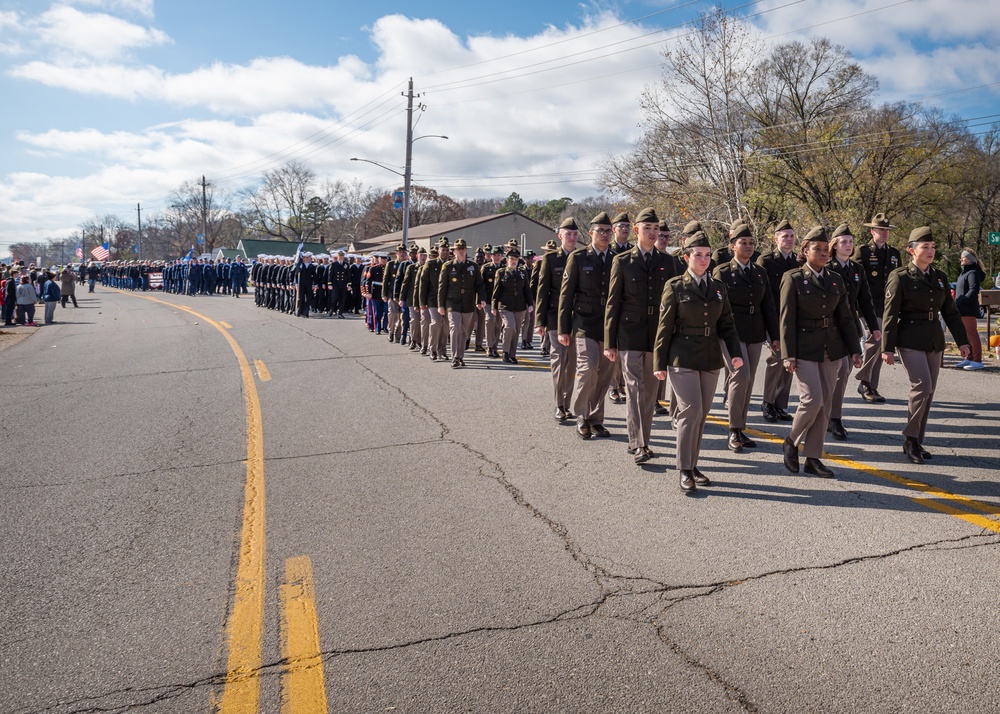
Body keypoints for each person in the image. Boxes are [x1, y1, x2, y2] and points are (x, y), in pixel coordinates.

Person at [654, 232, 742, 492]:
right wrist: (659, 363)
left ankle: (693, 464)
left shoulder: (718, 287)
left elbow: (727, 323)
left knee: (702, 414)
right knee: (690, 409)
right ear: (686, 257)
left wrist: (735, 353)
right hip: (682, 355)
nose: (704, 260)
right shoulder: (675, 286)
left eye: (707, 255)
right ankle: (683, 469)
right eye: (698, 255)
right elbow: (664, 327)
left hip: (710, 355)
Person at [779, 226, 863, 479]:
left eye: (827, 249)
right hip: (803, 347)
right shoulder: (793, 278)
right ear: (805, 251)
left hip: (832, 347)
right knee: (812, 400)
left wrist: (855, 350)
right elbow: (786, 319)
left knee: (825, 404)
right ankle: (791, 441)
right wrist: (788, 354)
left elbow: (846, 317)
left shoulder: (835, 279)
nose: (825, 253)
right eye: (818, 249)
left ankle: (813, 458)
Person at [882, 227, 970, 464]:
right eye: (925, 247)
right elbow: (890, 315)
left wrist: (963, 341)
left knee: (929, 393)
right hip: (909, 338)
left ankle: (917, 441)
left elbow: (951, 312)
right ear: (911, 250)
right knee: (922, 386)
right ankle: (910, 438)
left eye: (932, 247)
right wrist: (887, 348)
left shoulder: (939, 276)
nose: (930, 251)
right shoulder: (900, 276)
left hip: (933, 339)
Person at [604, 207, 678, 464]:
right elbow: (613, 303)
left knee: (650, 392)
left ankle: (642, 438)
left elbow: (673, 303)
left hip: (656, 333)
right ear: (636, 231)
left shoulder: (667, 262)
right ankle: (639, 444)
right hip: (629, 332)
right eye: (647, 228)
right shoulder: (622, 261)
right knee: (634, 388)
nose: (653, 232)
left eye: (656, 229)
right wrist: (610, 341)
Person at [712, 221, 780, 452]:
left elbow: (768, 306)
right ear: (733, 246)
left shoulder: (760, 272)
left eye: (751, 243)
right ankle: (733, 430)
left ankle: (741, 428)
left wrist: (775, 335)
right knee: (740, 376)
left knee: (748, 381)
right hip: (731, 332)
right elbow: (715, 306)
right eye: (743, 243)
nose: (749, 246)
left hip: (754, 330)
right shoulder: (721, 272)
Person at [558, 212, 616, 439]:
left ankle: (596, 418)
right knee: (588, 368)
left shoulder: (617, 258)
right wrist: (563, 329)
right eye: (600, 230)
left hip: (608, 324)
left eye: (608, 231)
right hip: (584, 323)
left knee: (604, 374)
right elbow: (566, 295)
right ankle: (581, 415)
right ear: (591, 233)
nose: (604, 234)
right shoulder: (579, 257)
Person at [826, 224, 880, 440]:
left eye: (851, 241)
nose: (848, 245)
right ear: (835, 245)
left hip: (851, 327)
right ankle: (827, 414)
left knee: (844, 370)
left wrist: (873, 326)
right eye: (844, 242)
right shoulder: (827, 267)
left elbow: (865, 300)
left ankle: (834, 417)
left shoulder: (857, 269)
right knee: (837, 370)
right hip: (830, 327)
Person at [536, 219, 580, 421]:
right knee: (559, 362)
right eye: (568, 234)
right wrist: (540, 321)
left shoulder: (582, 257)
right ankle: (559, 404)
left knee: (571, 364)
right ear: (560, 236)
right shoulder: (551, 259)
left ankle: (567, 403)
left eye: (574, 234)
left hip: (577, 318)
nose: (572, 238)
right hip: (555, 317)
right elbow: (543, 291)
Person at [854, 213, 902, 403]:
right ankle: (865, 382)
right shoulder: (863, 252)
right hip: (869, 305)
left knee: (881, 345)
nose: (884, 234)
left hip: (888, 306)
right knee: (874, 341)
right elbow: (856, 280)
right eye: (881, 230)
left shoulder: (894, 254)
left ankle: (871, 385)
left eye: (887, 231)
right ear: (872, 231)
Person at [757, 220, 798, 423]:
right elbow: (761, 295)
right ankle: (767, 402)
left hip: (794, 319)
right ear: (775, 239)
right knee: (775, 360)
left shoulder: (799, 262)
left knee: (790, 361)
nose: (789, 240)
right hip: (773, 318)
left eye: (791, 236)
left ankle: (781, 404)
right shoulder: (766, 261)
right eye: (785, 236)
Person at [438, 238, 486, 368]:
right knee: (455, 328)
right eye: (458, 249)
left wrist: (481, 299)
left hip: (468, 303)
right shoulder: (448, 266)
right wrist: (441, 305)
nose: (461, 251)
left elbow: (479, 285)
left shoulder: (473, 266)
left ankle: (460, 355)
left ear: (466, 251)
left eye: (463, 249)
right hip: (452, 303)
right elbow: (442, 287)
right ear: (454, 252)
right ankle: (455, 357)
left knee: (464, 331)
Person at [493, 247, 532, 364]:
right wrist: (494, 306)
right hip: (505, 306)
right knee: (510, 327)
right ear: (507, 260)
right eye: (511, 259)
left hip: (519, 306)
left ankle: (512, 354)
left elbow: (527, 290)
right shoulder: (501, 273)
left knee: (516, 330)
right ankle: (505, 351)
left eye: (515, 259)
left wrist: (530, 304)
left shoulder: (522, 273)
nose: (513, 261)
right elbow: (496, 291)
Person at [954, 248, 986, 370]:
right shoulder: (964, 272)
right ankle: (969, 357)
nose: (961, 259)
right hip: (961, 309)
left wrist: (961, 301)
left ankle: (977, 360)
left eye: (964, 257)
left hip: (968, 309)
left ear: (970, 260)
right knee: (966, 335)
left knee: (972, 334)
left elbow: (973, 290)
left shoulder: (973, 272)